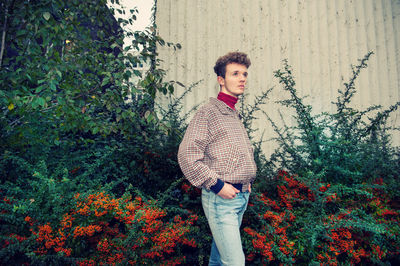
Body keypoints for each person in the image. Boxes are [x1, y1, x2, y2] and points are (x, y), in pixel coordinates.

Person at [178, 51, 257, 266]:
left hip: (240, 197)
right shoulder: (209, 113)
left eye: (244, 74)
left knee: (219, 260)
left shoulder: (232, 114)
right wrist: (217, 185)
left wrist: (246, 183)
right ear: (221, 80)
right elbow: (187, 155)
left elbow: (234, 155)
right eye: (235, 73)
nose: (242, 78)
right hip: (221, 199)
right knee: (234, 262)